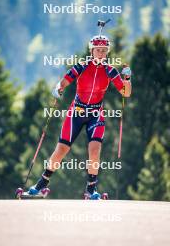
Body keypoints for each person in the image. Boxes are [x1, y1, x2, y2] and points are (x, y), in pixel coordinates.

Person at [28, 35, 132, 199]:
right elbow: (65, 80)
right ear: (92, 51)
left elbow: (126, 93)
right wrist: (59, 88)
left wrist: (127, 79)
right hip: (76, 112)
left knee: (95, 150)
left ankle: (91, 189)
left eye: (104, 51)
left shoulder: (110, 70)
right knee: (61, 149)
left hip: (96, 114)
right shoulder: (82, 66)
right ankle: (41, 185)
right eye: (98, 50)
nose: (101, 53)